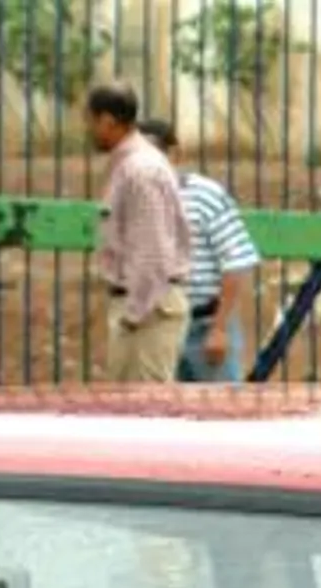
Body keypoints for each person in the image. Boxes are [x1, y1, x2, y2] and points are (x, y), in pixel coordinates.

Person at [136, 118, 260, 384]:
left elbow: (235, 262)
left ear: (174, 154)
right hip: (159, 329)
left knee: (221, 414)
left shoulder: (206, 196)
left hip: (204, 325)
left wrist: (219, 328)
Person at [85, 85, 192, 383]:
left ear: (107, 121)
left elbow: (153, 252)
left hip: (148, 311)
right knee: (128, 415)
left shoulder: (140, 170)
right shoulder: (132, 166)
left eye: (91, 121)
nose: (89, 130)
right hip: (143, 308)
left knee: (147, 416)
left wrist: (133, 315)